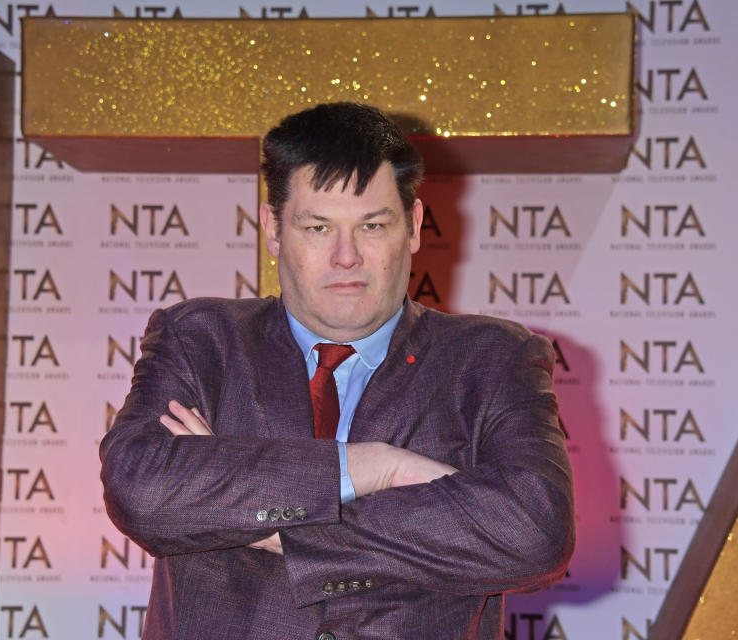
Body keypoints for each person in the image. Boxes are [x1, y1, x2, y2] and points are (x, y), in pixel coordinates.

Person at [100, 102, 575, 640]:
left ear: (415, 227)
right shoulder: (201, 339)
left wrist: (261, 518)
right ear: (273, 228)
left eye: (372, 226)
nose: (346, 256)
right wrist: (374, 468)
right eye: (318, 227)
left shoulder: (492, 359)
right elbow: (141, 491)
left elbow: (535, 532)